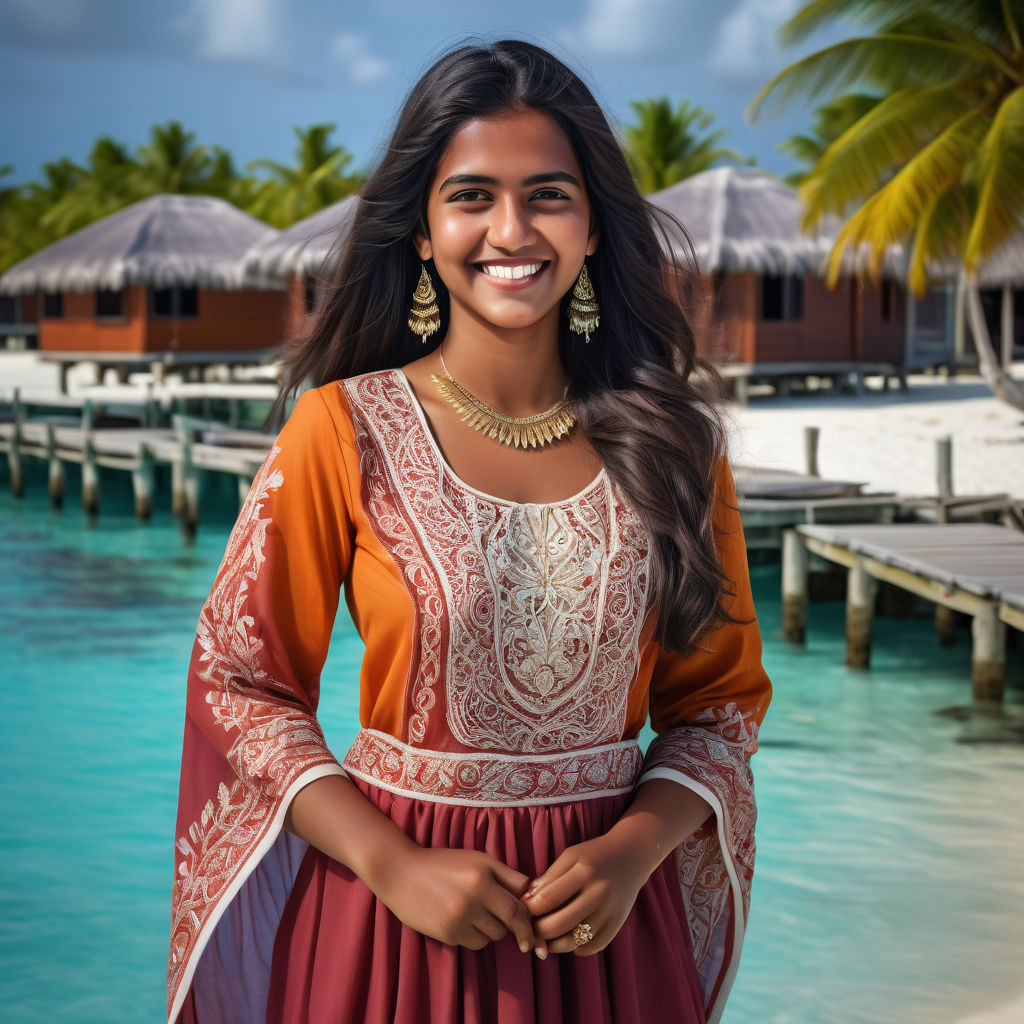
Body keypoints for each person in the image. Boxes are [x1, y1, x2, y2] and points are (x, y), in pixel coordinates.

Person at [166, 37, 772, 1024]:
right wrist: (390, 861)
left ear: (589, 229)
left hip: (612, 937)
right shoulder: (341, 430)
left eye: (547, 195)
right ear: (419, 229)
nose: (511, 228)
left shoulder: (676, 447)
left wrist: (629, 854)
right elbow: (241, 683)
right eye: (471, 196)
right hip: (395, 933)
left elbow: (717, 710)